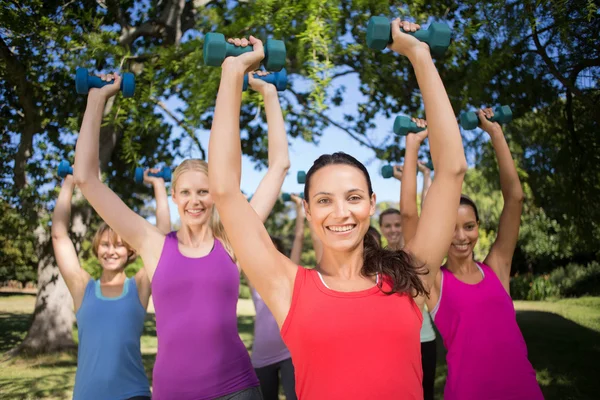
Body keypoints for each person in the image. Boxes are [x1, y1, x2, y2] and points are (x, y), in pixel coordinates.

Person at [207, 19, 467, 399]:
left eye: (354, 197)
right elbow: (225, 190)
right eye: (324, 201)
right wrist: (232, 72)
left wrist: (419, 54)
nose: (341, 212)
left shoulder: (409, 278)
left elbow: (451, 171)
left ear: (372, 204)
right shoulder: (287, 287)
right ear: (308, 211)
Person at [73, 67, 290, 399]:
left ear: (215, 195)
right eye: (185, 193)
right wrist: (97, 98)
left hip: (237, 388)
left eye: (203, 192)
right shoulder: (153, 244)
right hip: (173, 391)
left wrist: (269, 94)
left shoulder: (232, 242)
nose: (194, 201)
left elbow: (279, 166)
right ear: (173, 197)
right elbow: (87, 179)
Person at [404, 109, 544, 399]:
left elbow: (515, 197)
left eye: (468, 226)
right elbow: (408, 216)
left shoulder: (497, 267)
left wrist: (495, 133)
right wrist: (412, 146)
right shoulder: (433, 281)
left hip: (523, 389)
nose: (460, 236)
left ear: (478, 227)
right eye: (451, 228)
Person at [51, 167, 170, 400]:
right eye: (105, 244)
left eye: (118, 245)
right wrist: (69, 182)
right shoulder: (83, 287)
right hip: (88, 395)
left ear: (130, 251)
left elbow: (163, 239)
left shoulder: (139, 287)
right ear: (97, 249)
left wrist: (158, 186)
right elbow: (59, 235)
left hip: (133, 393)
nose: (111, 251)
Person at [395, 119, 437, 400]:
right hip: (395, 340)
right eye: (386, 225)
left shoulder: (415, 250)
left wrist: (423, 175)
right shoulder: (376, 255)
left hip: (424, 337)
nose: (392, 229)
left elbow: (414, 213)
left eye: (395, 224)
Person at [250, 194, 303, 400]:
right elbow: (246, 238)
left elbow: (298, 238)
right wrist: (247, 210)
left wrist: (299, 208)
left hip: (289, 353)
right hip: (261, 357)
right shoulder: (253, 277)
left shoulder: (289, 277)